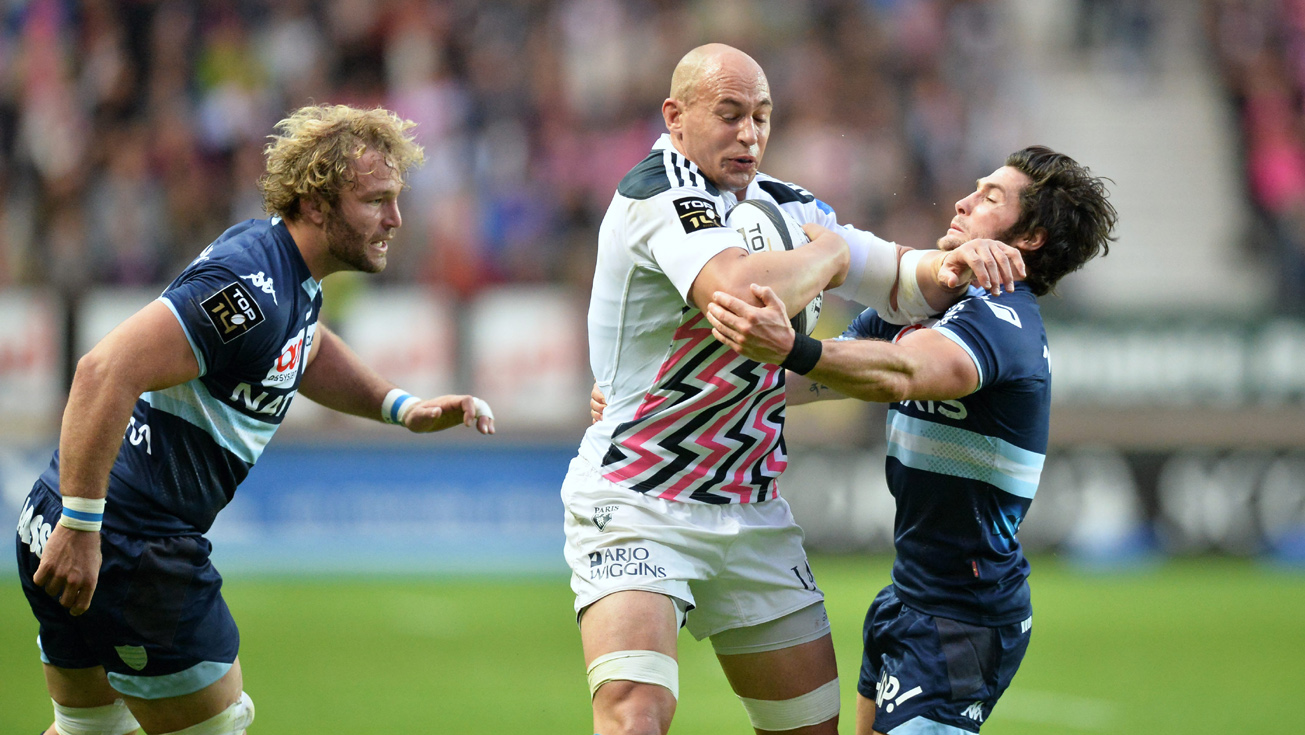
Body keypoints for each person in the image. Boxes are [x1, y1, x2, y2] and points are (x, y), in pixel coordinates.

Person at [566, 43, 1024, 735]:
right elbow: (741, 292)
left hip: (752, 512)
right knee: (637, 712)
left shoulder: (788, 204)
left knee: (808, 729)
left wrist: (959, 262)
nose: (748, 134)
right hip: (639, 497)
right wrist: (830, 254)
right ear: (675, 115)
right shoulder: (657, 191)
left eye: (761, 116)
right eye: (728, 115)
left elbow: (903, 277)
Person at [14, 104, 496, 735]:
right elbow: (103, 371)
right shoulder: (250, 288)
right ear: (318, 205)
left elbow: (306, 345)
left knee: (89, 733)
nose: (395, 219)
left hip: (67, 516)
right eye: (376, 201)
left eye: (395, 200)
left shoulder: (287, 273)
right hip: (127, 541)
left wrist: (399, 406)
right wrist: (83, 527)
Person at [703, 145, 1118, 735]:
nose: (963, 201)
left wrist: (791, 344)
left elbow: (896, 372)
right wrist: (658, 399)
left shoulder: (1005, 325)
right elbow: (811, 380)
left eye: (990, 198)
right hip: (907, 597)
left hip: (966, 618)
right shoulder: (934, 304)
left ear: (1030, 238)